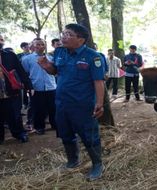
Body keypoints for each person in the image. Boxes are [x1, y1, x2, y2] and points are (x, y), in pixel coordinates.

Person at [37, 23, 106, 181]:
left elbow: (98, 81)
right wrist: (46, 66)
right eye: (63, 33)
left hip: (83, 105)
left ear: (81, 40)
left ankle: (97, 165)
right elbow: (56, 71)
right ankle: (73, 161)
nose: (63, 37)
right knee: (65, 133)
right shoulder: (60, 51)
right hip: (62, 103)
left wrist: (100, 103)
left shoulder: (93, 56)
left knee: (89, 136)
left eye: (69, 34)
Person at [0, 34, 32, 144]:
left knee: (15, 114)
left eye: (2, 39)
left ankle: (19, 133)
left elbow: (20, 71)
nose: (1, 41)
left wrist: (28, 86)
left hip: (11, 91)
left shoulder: (10, 55)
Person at [22, 38, 57, 135]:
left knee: (53, 107)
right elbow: (25, 73)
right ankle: (39, 127)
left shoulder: (50, 57)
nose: (40, 46)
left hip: (51, 86)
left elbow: (54, 71)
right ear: (33, 46)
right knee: (38, 109)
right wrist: (29, 86)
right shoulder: (27, 59)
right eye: (37, 44)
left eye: (42, 44)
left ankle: (55, 124)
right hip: (36, 87)